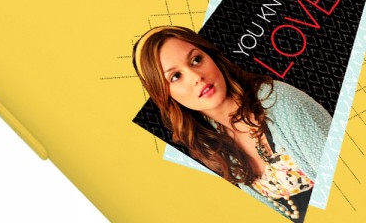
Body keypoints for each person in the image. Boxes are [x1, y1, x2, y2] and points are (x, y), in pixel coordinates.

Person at [132, 25, 332, 221]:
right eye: (175, 76)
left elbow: (343, 176)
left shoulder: (281, 103)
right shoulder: (211, 141)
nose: (196, 77)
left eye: (196, 60)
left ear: (212, 57)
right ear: (164, 95)